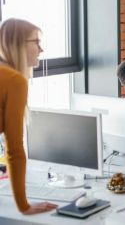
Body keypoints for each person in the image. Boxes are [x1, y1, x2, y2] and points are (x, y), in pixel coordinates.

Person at [0, 18, 58, 214]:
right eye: (36, 42)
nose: (41, 50)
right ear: (18, 44)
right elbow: (14, 150)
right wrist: (24, 206)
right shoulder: (13, 80)